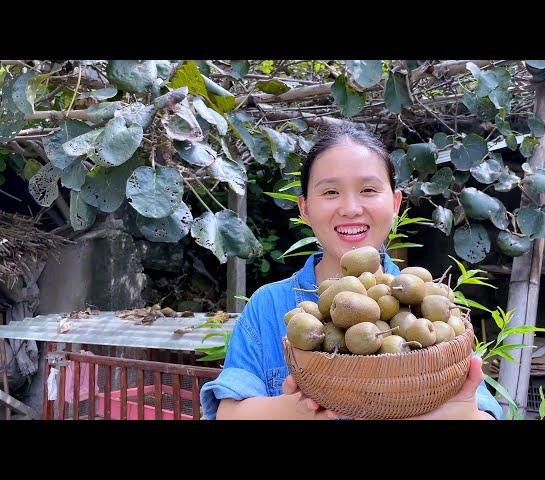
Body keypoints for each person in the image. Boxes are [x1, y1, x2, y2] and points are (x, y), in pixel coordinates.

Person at [200, 124, 503, 420]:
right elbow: (228, 412)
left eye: (368, 190)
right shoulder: (268, 307)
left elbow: (480, 409)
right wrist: (299, 409)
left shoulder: (429, 302)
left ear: (395, 202)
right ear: (304, 208)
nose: (350, 208)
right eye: (330, 192)